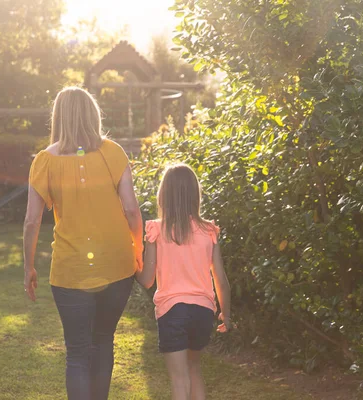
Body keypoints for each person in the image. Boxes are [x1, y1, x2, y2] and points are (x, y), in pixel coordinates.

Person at [22, 86, 144, 400]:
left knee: (77, 352)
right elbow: (131, 209)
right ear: (92, 113)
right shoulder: (113, 152)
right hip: (117, 264)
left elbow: (32, 221)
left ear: (58, 117)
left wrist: (28, 266)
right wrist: (138, 249)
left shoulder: (44, 161)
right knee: (103, 341)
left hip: (70, 269)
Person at [135, 163, 232, 400]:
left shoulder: (156, 230)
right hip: (203, 311)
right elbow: (220, 277)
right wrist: (226, 315)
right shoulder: (209, 230)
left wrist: (133, 266)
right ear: (194, 194)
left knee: (179, 381)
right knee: (194, 369)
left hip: (172, 311)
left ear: (163, 194)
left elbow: (147, 280)